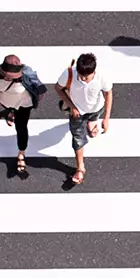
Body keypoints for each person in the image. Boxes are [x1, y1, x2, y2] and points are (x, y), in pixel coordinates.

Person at [0, 55, 47, 177]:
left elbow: (39, 86)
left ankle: (21, 153)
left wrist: (39, 95)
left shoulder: (26, 72)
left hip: (24, 104)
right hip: (6, 101)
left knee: (21, 127)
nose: (16, 77)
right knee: (9, 108)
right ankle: (11, 112)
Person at [54, 53, 113, 185]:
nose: (83, 79)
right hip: (77, 112)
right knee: (78, 138)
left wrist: (106, 118)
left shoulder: (102, 76)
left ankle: (92, 125)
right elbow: (58, 88)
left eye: (86, 77)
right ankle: (80, 167)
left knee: (92, 124)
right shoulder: (69, 73)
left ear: (94, 71)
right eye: (81, 76)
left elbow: (108, 94)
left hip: (96, 109)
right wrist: (72, 107)